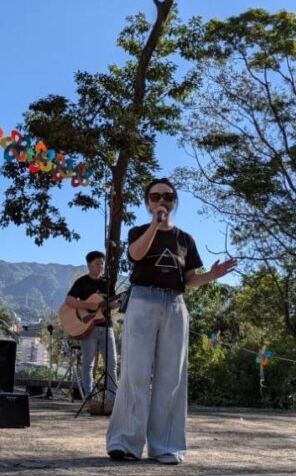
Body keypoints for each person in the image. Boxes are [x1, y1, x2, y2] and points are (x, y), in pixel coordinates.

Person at [106, 178, 237, 465]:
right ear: (148, 202)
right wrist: (155, 224)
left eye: (167, 196)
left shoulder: (185, 239)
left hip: (175, 304)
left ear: (175, 201)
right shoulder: (139, 231)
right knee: (135, 374)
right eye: (155, 196)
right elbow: (135, 254)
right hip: (142, 300)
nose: (161, 200)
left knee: (171, 377)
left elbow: (189, 279)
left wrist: (211, 276)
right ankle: (125, 443)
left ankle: (165, 446)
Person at [64, 250, 118, 403]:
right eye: (97, 263)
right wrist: (88, 305)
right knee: (88, 363)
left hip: (107, 326)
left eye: (102, 263)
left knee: (112, 364)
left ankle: (112, 399)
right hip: (88, 327)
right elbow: (69, 300)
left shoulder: (107, 283)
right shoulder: (82, 282)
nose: (100, 266)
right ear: (89, 264)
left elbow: (113, 303)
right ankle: (89, 397)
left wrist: (114, 304)